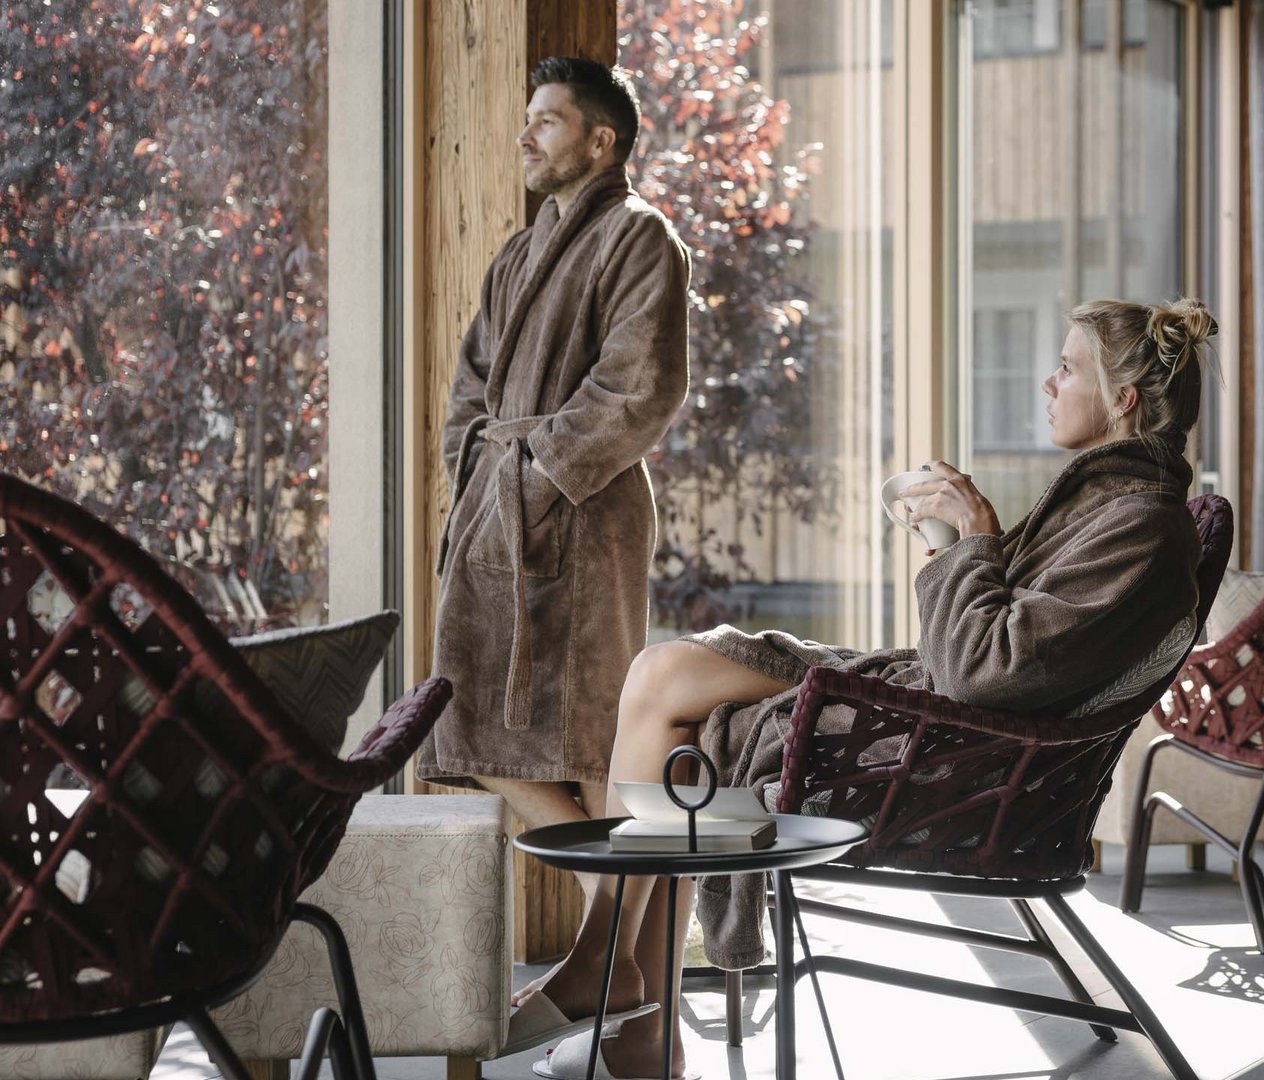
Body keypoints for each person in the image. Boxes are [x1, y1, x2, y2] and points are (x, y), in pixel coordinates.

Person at [527, 298, 1215, 1079]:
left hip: (951, 762)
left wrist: (977, 535)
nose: (1047, 382)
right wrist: (954, 541)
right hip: (937, 718)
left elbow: (984, 671)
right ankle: (619, 983)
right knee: (660, 674)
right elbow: (988, 650)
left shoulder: (1142, 530)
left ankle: (627, 1001)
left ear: (1123, 400)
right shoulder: (1105, 508)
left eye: (1067, 367)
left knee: (682, 745)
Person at [417, 54, 690, 1047]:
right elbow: (469, 387)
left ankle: (608, 975)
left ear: (600, 140)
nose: (527, 135)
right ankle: (615, 962)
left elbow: (640, 389)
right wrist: (479, 471)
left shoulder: (639, 238)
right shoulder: (518, 252)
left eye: (547, 120)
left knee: (590, 741)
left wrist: (540, 474)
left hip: (583, 519)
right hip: (500, 513)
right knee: (475, 727)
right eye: (526, 119)